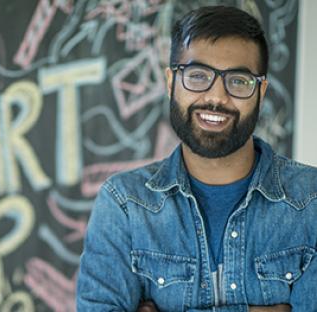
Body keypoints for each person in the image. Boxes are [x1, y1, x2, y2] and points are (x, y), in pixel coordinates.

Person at [76, 5, 317, 312]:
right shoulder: (124, 205)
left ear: (261, 91)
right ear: (169, 83)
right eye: (198, 75)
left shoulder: (311, 202)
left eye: (239, 80)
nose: (216, 97)